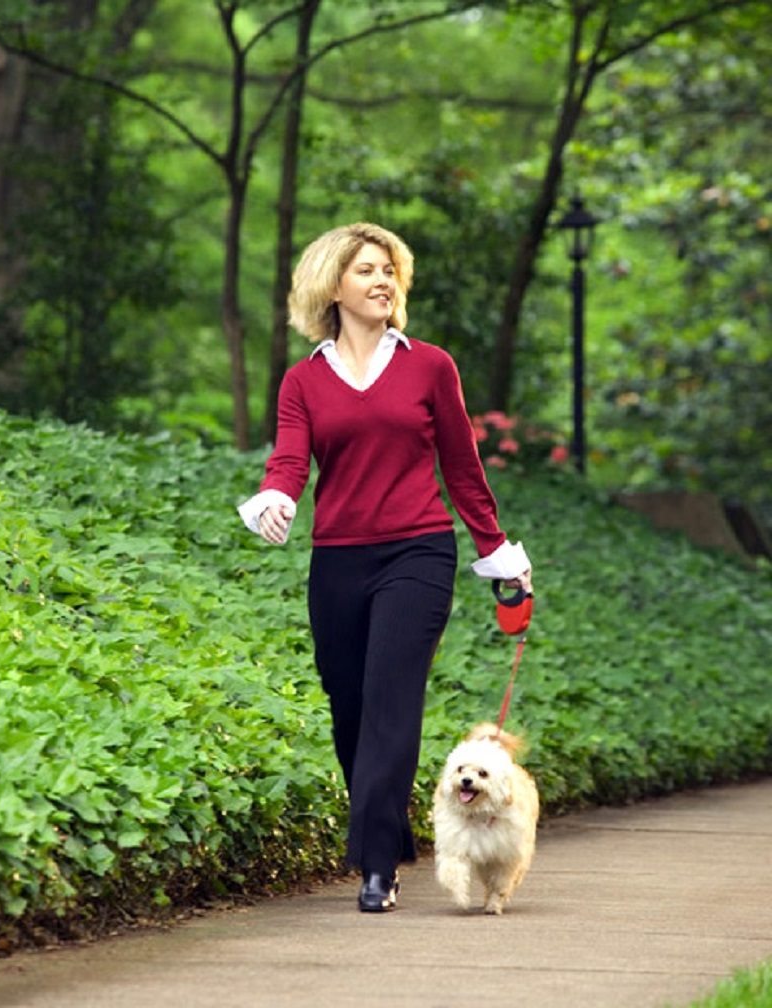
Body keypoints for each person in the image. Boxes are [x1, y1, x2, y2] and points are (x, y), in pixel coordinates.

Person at [238, 222, 531, 913]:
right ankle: (387, 832)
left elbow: (462, 466)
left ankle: (374, 864)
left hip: (418, 551)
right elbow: (288, 461)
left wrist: (499, 554)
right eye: (366, 269)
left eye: (389, 271)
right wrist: (275, 499)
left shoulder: (430, 366)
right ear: (331, 285)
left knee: (392, 705)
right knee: (351, 710)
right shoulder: (303, 380)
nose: (382, 281)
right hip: (338, 560)